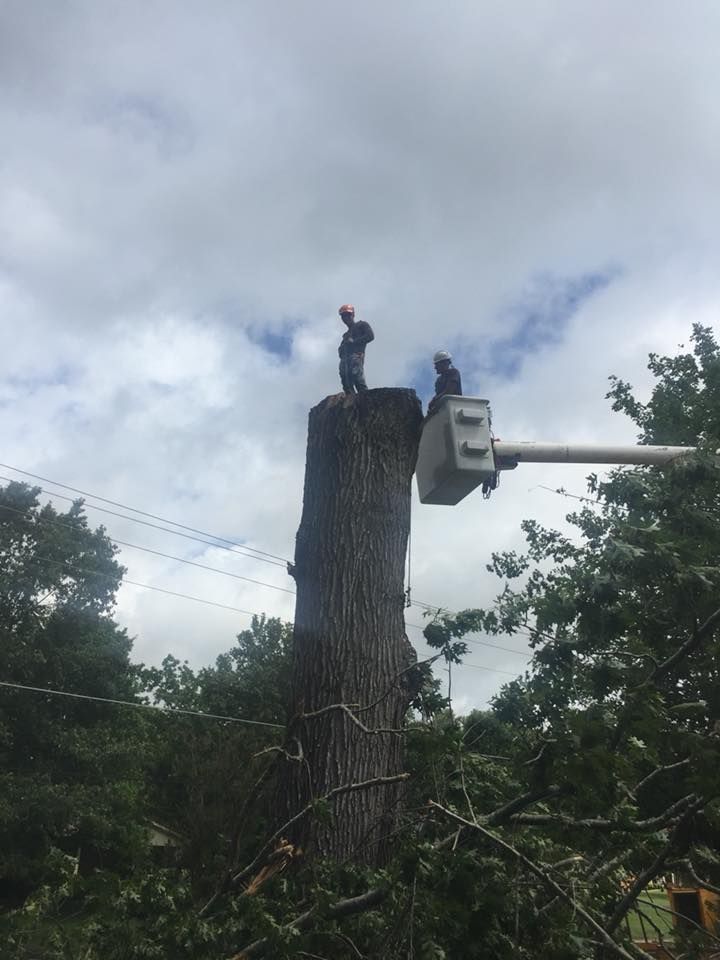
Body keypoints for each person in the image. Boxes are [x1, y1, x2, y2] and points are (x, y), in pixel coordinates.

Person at [337, 304, 374, 394]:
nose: (346, 318)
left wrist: (354, 341)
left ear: (353, 315)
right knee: (345, 380)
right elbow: (341, 348)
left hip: (356, 355)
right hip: (345, 359)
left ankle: (366, 399)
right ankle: (351, 401)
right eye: (343, 316)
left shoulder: (362, 325)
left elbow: (370, 336)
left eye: (348, 315)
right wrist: (341, 349)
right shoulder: (346, 335)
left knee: (357, 376)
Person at [427, 350, 462, 415]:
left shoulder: (453, 372)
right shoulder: (439, 380)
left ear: (444, 363)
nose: (435, 367)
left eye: (437, 365)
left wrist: (434, 400)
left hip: (455, 407)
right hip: (444, 409)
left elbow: (449, 391)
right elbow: (439, 395)